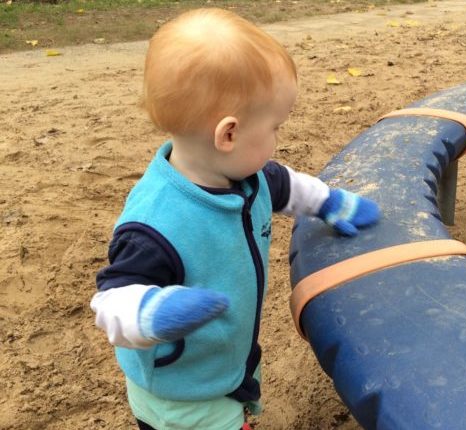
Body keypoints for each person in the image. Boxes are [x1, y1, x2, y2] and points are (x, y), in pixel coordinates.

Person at [90, 8, 380, 430]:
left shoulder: (249, 177)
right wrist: (153, 312)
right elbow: (111, 302)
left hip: (224, 366)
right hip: (181, 393)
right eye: (275, 127)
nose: (279, 138)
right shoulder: (156, 224)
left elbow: (287, 186)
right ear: (228, 134)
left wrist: (330, 203)